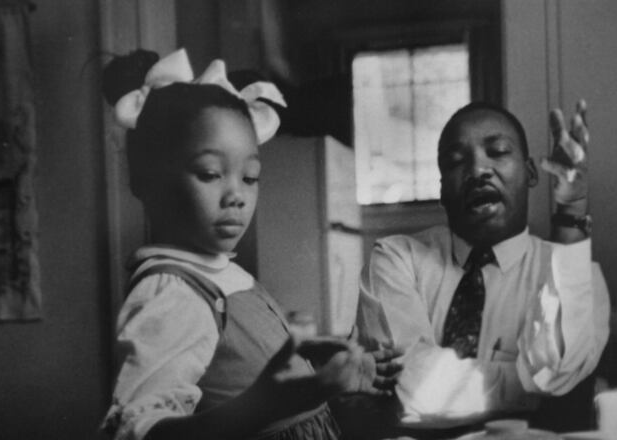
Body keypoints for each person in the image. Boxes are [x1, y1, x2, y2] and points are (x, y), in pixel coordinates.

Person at [99, 48, 400, 440]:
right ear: (146, 182)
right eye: (210, 173)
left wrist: (314, 366)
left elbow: (235, 368)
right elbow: (138, 432)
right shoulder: (171, 293)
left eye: (250, 177)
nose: (236, 196)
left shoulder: (221, 271)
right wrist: (268, 403)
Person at [355, 101, 611, 433]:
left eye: (498, 151)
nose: (478, 170)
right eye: (456, 161)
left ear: (531, 173)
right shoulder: (396, 258)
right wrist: (532, 382)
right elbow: (413, 387)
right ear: (442, 190)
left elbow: (558, 365)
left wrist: (570, 212)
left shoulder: (573, 271)